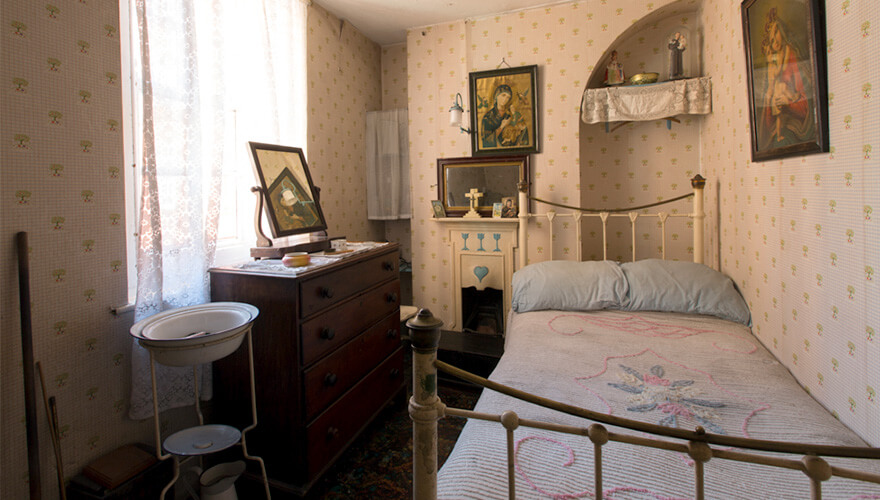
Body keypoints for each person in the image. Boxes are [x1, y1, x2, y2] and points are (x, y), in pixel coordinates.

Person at [759, 8, 812, 148]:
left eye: (776, 32)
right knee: (779, 140)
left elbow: (805, 103)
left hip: (795, 124)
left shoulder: (792, 56)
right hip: (783, 120)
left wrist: (788, 104)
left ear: (782, 31)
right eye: (771, 38)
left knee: (785, 139)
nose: (774, 40)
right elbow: (768, 119)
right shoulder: (773, 64)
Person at [480, 84, 528, 149]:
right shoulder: (488, 116)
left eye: (508, 97)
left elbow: (524, 130)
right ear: (496, 96)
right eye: (503, 95)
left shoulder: (511, 114)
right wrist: (501, 127)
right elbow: (486, 141)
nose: (505, 99)